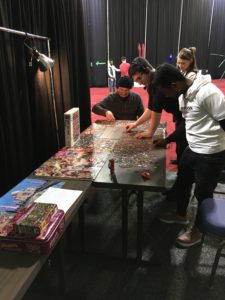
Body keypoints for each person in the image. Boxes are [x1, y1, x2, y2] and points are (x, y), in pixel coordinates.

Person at [151, 63, 225, 248]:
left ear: (174, 85)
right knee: (183, 181)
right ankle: (181, 214)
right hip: (192, 148)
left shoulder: (209, 93)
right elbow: (186, 125)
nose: (166, 97)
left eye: (166, 93)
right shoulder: (183, 94)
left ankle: (198, 231)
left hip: (210, 153)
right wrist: (167, 140)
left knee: (203, 194)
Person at [126, 57, 187, 166]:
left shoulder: (157, 84)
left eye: (140, 78)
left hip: (186, 113)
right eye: (136, 81)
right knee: (180, 144)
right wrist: (135, 124)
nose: (140, 83)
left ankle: (183, 169)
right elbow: (151, 109)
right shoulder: (153, 82)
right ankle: (181, 161)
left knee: (184, 144)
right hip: (179, 113)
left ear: (147, 69)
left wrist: (150, 132)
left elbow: (156, 111)